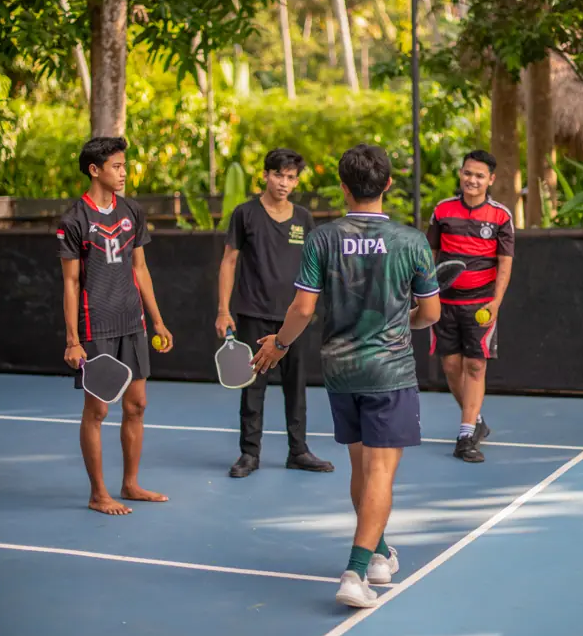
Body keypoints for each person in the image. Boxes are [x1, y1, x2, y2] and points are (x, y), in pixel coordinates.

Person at [252, 144, 441, 608]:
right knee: (380, 472)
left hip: (340, 370)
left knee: (361, 467)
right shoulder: (411, 241)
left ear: (343, 187)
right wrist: (406, 320)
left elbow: (302, 308)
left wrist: (279, 344)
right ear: (388, 185)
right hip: (390, 372)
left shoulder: (321, 238)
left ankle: (378, 552)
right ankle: (356, 573)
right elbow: (430, 314)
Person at [57, 137, 174, 515]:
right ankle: (98, 494)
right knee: (99, 411)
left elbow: (140, 269)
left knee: (137, 404)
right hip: (96, 328)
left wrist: (157, 320)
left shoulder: (131, 211)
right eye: (117, 166)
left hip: (133, 323)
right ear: (95, 170)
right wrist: (73, 340)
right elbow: (71, 283)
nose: (124, 173)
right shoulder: (74, 220)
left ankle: (130, 484)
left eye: (125, 166)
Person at [216, 148, 334, 478]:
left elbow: (314, 269)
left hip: (294, 319)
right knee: (253, 387)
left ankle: (298, 451)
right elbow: (228, 261)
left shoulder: (303, 218)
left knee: (296, 386)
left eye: (291, 177)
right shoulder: (244, 214)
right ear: (266, 175)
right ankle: (249, 454)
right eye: (279, 175)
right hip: (253, 313)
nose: (284, 182)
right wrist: (223, 310)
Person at [426, 149, 515, 463]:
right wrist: (426, 294)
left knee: (475, 366)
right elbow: (430, 256)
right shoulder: (442, 210)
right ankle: (475, 420)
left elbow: (505, 263)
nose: (472, 180)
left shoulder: (501, 216)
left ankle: (465, 436)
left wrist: (496, 302)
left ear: (491, 179)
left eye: (479, 175)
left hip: (480, 305)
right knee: (451, 367)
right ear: (460, 174)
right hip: (444, 304)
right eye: (467, 173)